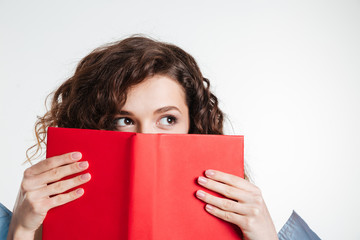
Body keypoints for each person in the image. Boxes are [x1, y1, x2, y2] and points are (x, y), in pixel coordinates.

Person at [2, 36, 319, 240]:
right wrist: (21, 232)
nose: (145, 137)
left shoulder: (246, 226)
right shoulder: (19, 226)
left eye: (168, 119)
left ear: (194, 126)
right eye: (123, 120)